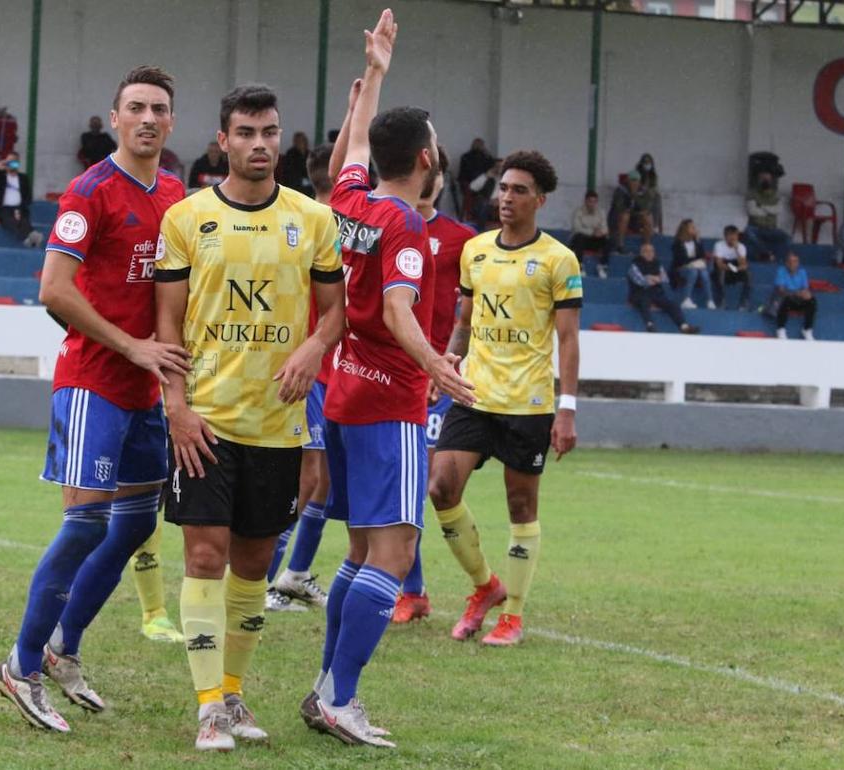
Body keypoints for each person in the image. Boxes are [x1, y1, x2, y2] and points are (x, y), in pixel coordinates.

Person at [0, 66, 189, 736]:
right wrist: (131, 347)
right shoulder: (90, 191)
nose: (148, 119)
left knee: (133, 525)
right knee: (84, 523)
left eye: (158, 109)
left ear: (172, 122)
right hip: (94, 382)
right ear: (114, 118)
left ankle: (62, 647)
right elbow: (53, 288)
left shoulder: (174, 194)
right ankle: (20, 666)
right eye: (135, 108)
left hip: (144, 390)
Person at [155, 82, 345, 752]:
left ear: (279, 138)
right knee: (204, 555)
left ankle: (231, 692)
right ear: (223, 140)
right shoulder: (185, 219)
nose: (259, 144)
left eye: (269, 132)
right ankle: (209, 706)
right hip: (205, 422)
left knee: (255, 565)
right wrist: (176, 409)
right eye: (245, 132)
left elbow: (334, 316)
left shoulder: (314, 221)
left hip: (278, 426)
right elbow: (167, 325)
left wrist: (313, 350)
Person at [304, 12, 473, 749]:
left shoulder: (349, 202)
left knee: (359, 553)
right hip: (390, 402)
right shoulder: (404, 224)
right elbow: (402, 309)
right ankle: (341, 697)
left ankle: (325, 691)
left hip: (343, 394)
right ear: (429, 158)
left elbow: (351, 147)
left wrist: (373, 76)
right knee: (395, 555)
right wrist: (435, 364)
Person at [427, 142, 582, 651]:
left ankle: (512, 614)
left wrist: (568, 409)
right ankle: (484, 587)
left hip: (528, 404)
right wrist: (448, 361)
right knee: (441, 489)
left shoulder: (558, 260)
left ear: (540, 199)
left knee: (521, 506)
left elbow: (568, 339)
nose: (506, 198)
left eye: (519, 190)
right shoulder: (477, 250)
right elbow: (465, 323)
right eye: (503, 188)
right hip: (475, 394)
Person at [392, 144, 477, 624]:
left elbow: (468, 315)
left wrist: (446, 368)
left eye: (436, 173)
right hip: (398, 373)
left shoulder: (463, 239)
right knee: (402, 483)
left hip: (440, 378)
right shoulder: (392, 225)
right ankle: (413, 588)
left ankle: (415, 589)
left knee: (424, 481)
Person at [266, 141, 341, 615]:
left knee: (321, 481)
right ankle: (262, 581)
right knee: (305, 481)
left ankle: (290, 573)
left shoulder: (309, 217)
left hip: (328, 371)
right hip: (312, 370)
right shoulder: (321, 224)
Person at [628, 243, 700, 334]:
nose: (650, 253)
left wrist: (652, 278)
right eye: (646, 251)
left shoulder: (657, 263)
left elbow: (664, 278)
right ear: (641, 253)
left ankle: (684, 326)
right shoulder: (634, 265)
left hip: (655, 293)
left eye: (652, 251)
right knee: (644, 300)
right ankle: (650, 325)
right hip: (639, 293)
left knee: (672, 304)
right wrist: (650, 278)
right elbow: (640, 281)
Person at [0, 152, 43, 247]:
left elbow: (28, 197)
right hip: (3, 209)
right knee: (10, 221)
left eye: (14, 162)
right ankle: (30, 236)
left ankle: (30, 238)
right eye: (9, 162)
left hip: (19, 208)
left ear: (18, 163)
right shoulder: (0, 176)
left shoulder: (23, 178)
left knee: (23, 221)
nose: (12, 164)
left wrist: (20, 208)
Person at [743, 170, 790, 263]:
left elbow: (778, 210)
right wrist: (770, 210)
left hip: (772, 229)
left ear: (771, 180)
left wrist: (761, 206)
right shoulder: (752, 193)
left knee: (787, 238)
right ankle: (768, 253)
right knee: (748, 233)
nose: (765, 181)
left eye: (767, 179)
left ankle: (775, 259)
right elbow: (752, 211)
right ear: (758, 180)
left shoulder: (776, 194)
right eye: (763, 178)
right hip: (755, 228)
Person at [671, 219, 715, 310]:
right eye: (692, 227)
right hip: (682, 268)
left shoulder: (696, 242)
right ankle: (686, 299)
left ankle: (710, 300)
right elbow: (680, 260)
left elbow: (702, 256)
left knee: (704, 273)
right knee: (693, 271)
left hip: (695, 267)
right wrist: (693, 261)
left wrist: (698, 241)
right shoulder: (678, 243)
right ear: (685, 229)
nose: (695, 229)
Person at [773, 253, 817, 340]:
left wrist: (806, 294)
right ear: (786, 263)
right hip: (785, 300)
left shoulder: (802, 272)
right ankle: (780, 329)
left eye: (795, 261)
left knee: (812, 300)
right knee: (786, 299)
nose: (793, 264)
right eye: (791, 261)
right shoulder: (781, 271)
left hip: (798, 300)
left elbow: (805, 289)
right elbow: (781, 291)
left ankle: (807, 329)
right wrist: (796, 293)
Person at [609, 171, 654, 253]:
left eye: (636, 180)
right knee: (625, 216)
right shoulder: (620, 190)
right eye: (632, 180)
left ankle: (647, 245)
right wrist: (631, 196)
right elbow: (619, 208)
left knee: (648, 217)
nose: (634, 182)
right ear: (628, 180)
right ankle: (620, 245)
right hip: (618, 219)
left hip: (635, 218)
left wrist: (635, 196)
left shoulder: (643, 191)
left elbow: (646, 207)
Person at [569, 190, 610, 277]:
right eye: (590, 201)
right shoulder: (578, 212)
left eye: (594, 201)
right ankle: (579, 265)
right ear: (586, 201)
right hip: (582, 239)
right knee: (579, 238)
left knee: (608, 241)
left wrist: (600, 233)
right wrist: (592, 232)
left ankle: (602, 266)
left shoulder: (601, 212)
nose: (592, 204)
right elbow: (577, 228)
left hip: (595, 239)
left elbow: (605, 228)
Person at [712, 225, 753, 309]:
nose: (733, 238)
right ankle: (721, 301)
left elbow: (744, 265)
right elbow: (719, 264)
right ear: (725, 236)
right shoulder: (718, 245)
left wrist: (737, 249)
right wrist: (734, 268)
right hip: (724, 268)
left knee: (749, 275)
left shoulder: (741, 246)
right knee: (721, 274)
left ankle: (743, 303)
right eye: (730, 235)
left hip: (736, 268)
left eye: (735, 235)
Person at [278, 131, 313, 196]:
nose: (301, 143)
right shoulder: (291, 153)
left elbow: (311, 168)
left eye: (302, 141)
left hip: (307, 180)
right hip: (294, 181)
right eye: (298, 141)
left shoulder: (309, 153)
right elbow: (290, 170)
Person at [635, 152, 662, 231]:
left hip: (648, 198)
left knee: (657, 197)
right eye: (645, 162)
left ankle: (654, 226)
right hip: (638, 198)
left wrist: (648, 191)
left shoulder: (653, 175)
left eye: (649, 163)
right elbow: (634, 188)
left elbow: (654, 188)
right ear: (642, 163)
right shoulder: (636, 173)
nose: (647, 165)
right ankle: (643, 225)